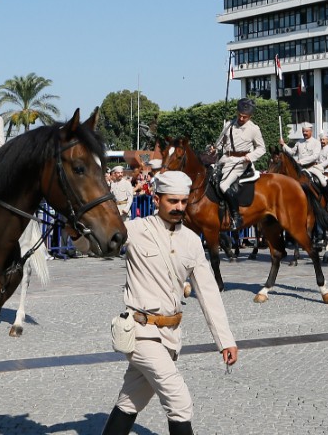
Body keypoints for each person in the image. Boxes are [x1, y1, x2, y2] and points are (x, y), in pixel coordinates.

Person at [100, 170, 237, 435]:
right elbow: (98, 242)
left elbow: (208, 292)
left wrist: (226, 340)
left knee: (130, 400)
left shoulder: (191, 242)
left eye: (183, 202)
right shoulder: (135, 230)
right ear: (156, 198)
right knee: (179, 401)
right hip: (140, 334)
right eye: (172, 201)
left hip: (170, 336)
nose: (179, 207)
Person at [212, 98, 266, 231]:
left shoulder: (254, 129)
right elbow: (219, 143)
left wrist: (250, 157)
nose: (241, 118)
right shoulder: (229, 125)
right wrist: (214, 149)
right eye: (240, 115)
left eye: (245, 117)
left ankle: (237, 217)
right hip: (225, 159)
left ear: (250, 116)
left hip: (241, 161)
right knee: (210, 178)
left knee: (224, 185)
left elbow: (262, 148)